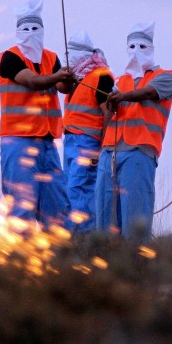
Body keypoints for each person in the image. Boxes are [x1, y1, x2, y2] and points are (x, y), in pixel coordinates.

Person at [0, 0, 74, 230]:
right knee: (21, 209)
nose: (30, 34)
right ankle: (20, 262)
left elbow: (62, 89)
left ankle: (59, 260)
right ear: (17, 31)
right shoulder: (9, 58)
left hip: (47, 143)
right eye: (25, 29)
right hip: (18, 141)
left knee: (57, 208)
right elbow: (32, 81)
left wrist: (67, 80)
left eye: (35, 28)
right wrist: (59, 76)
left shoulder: (51, 57)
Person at [96, 22, 172, 240]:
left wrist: (122, 96)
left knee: (135, 220)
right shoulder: (119, 81)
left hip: (139, 152)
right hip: (109, 153)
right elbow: (109, 112)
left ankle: (135, 266)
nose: (136, 51)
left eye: (142, 46)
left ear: (151, 48)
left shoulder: (164, 77)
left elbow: (148, 93)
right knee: (104, 220)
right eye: (131, 46)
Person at [62, 30, 114, 234]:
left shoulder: (100, 76)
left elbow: (108, 112)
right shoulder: (77, 78)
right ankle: (72, 237)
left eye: (71, 52)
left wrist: (103, 146)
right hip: (71, 142)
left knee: (80, 190)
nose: (68, 57)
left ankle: (85, 238)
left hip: (89, 143)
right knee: (68, 189)